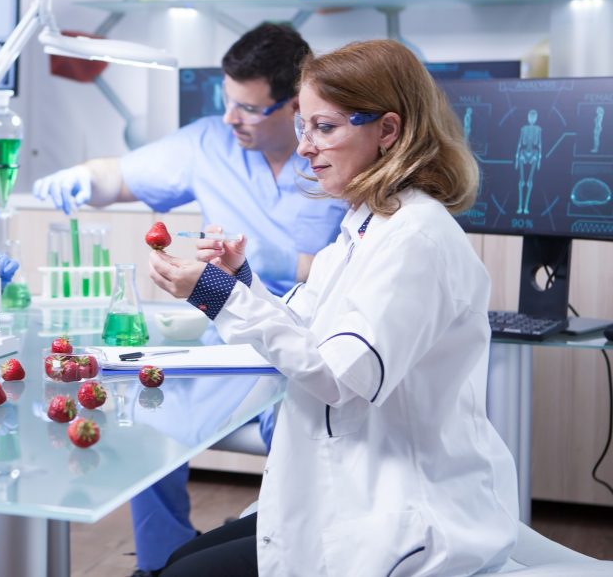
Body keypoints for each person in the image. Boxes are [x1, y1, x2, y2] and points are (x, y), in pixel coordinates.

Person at [148, 39, 519, 576]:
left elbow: (339, 376)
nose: (305, 148)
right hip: (345, 482)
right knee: (182, 559)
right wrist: (240, 283)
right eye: (305, 127)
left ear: (388, 131)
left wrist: (215, 294)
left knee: (183, 573)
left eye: (325, 128)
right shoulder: (365, 223)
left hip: (397, 508)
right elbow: (306, 326)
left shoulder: (417, 238)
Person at [33, 23, 347, 576]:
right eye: (228, 103)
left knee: (299, 436)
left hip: (310, 344)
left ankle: (289, 558)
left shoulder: (336, 157)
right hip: (227, 338)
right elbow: (119, 178)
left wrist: (284, 262)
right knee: (147, 412)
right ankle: (160, 561)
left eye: (248, 109)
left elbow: (365, 266)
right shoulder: (209, 143)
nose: (232, 119)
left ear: (295, 105)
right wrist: (81, 177)